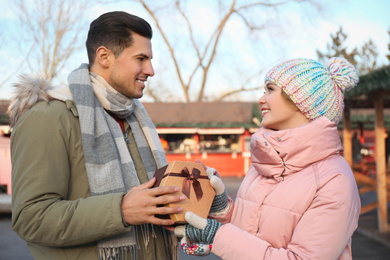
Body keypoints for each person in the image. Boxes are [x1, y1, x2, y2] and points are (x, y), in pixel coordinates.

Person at [8, 11, 184, 260]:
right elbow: (30, 218)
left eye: (150, 59)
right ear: (104, 56)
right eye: (141, 58)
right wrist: (120, 210)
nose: (151, 70)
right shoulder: (48, 117)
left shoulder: (135, 119)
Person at [173, 57, 361, 259]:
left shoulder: (335, 180)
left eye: (270, 89)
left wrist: (218, 235)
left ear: (300, 100)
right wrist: (224, 212)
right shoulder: (265, 160)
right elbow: (253, 231)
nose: (261, 99)